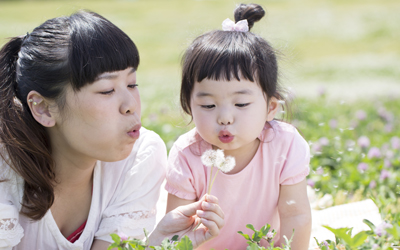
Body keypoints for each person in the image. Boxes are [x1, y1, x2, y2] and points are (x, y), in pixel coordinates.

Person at [0, 11, 224, 250]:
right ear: (43, 108)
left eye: (132, 84)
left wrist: (156, 244)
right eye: (107, 90)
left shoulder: (140, 155)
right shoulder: (5, 167)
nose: (130, 105)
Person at [165, 3, 311, 250]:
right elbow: (174, 232)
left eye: (241, 103)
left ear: (271, 108)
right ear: (189, 105)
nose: (224, 118)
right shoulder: (186, 155)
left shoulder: (285, 145)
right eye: (208, 105)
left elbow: (295, 214)